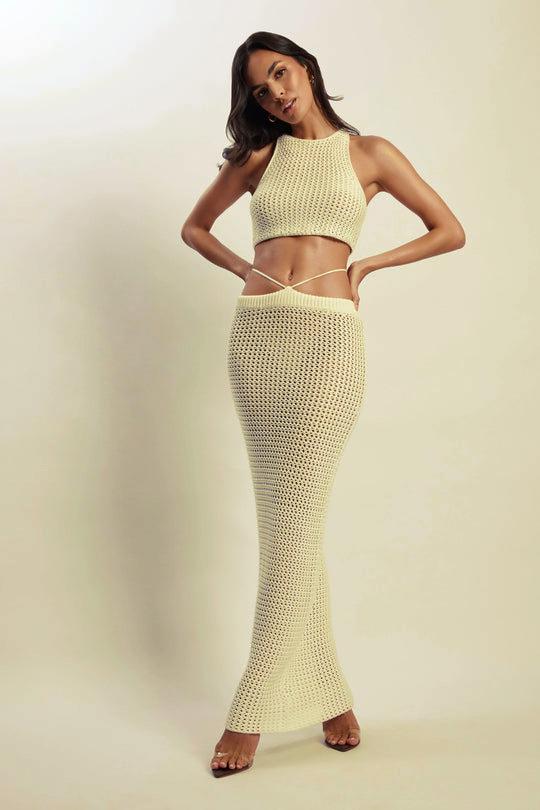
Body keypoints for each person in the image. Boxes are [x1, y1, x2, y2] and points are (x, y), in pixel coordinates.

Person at [181, 31, 466, 778]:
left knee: (294, 526)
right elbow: (194, 228)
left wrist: (366, 266)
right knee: (292, 527)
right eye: (260, 88)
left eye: (280, 73)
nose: (276, 92)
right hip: (258, 337)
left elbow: (449, 230)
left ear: (305, 67)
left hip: (328, 340)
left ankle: (250, 713)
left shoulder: (369, 153)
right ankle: (331, 699)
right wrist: (246, 269)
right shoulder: (257, 159)